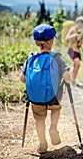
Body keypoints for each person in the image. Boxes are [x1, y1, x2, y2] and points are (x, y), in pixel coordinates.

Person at [20, 24, 71, 154]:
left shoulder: (31, 58)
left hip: (36, 98)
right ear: (52, 41)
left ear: (36, 42)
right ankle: (53, 127)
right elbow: (67, 77)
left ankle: (42, 144)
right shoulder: (57, 57)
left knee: (39, 119)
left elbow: (22, 78)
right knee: (56, 109)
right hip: (53, 96)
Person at [65, 16, 83, 87]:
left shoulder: (80, 31)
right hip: (71, 50)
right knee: (77, 63)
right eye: (80, 25)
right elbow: (66, 38)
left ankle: (73, 80)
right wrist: (75, 35)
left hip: (77, 50)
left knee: (76, 65)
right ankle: (72, 80)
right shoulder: (72, 29)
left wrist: (81, 42)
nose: (81, 26)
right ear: (77, 23)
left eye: (82, 25)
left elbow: (80, 41)